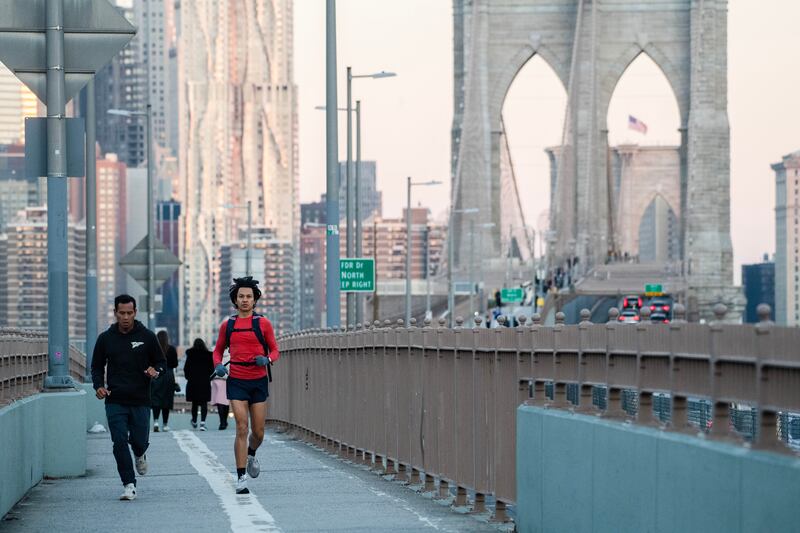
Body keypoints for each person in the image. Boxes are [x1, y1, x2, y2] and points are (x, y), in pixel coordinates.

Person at [91, 294, 166, 501]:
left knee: (139, 441)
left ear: (135, 313)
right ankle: (129, 484)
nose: (125, 317)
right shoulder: (105, 339)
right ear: (115, 313)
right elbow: (96, 366)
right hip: (115, 399)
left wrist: (155, 370)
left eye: (129, 313)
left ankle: (140, 453)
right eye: (121, 313)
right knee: (119, 441)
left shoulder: (147, 336)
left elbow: (161, 362)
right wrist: (98, 386)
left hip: (140, 399)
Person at [213, 276, 279, 494]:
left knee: (258, 432)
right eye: (241, 296)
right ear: (235, 299)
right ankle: (241, 477)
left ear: (255, 299)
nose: (244, 300)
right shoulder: (228, 325)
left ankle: (251, 453)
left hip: (258, 380)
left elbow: (275, 350)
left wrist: (267, 360)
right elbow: (217, 350)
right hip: (237, 380)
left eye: (248, 296)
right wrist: (219, 366)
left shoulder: (264, 324)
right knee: (242, 426)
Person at [150, 330, 178, 431]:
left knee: (156, 399)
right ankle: (165, 424)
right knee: (167, 400)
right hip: (169, 375)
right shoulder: (171, 349)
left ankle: (156, 422)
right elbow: (175, 364)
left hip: (156, 375)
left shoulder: (154, 349)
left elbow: (150, 363)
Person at [184, 338, 214, 430]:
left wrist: (189, 377)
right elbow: (211, 369)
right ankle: (202, 423)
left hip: (193, 382)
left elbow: (186, 368)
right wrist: (207, 377)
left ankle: (194, 420)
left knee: (195, 403)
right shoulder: (208, 355)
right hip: (204, 382)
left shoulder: (190, 355)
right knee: (204, 402)